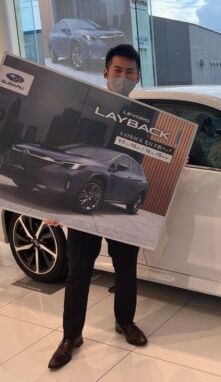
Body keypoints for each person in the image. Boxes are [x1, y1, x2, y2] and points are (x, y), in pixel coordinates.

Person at [48, 44, 147, 370]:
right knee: (78, 271)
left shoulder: (143, 119)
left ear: (137, 77)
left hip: (118, 205)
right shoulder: (88, 112)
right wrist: (55, 208)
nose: (123, 77)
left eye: (129, 72)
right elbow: (69, 155)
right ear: (105, 73)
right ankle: (70, 336)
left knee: (126, 269)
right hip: (83, 206)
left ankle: (125, 322)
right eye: (117, 71)